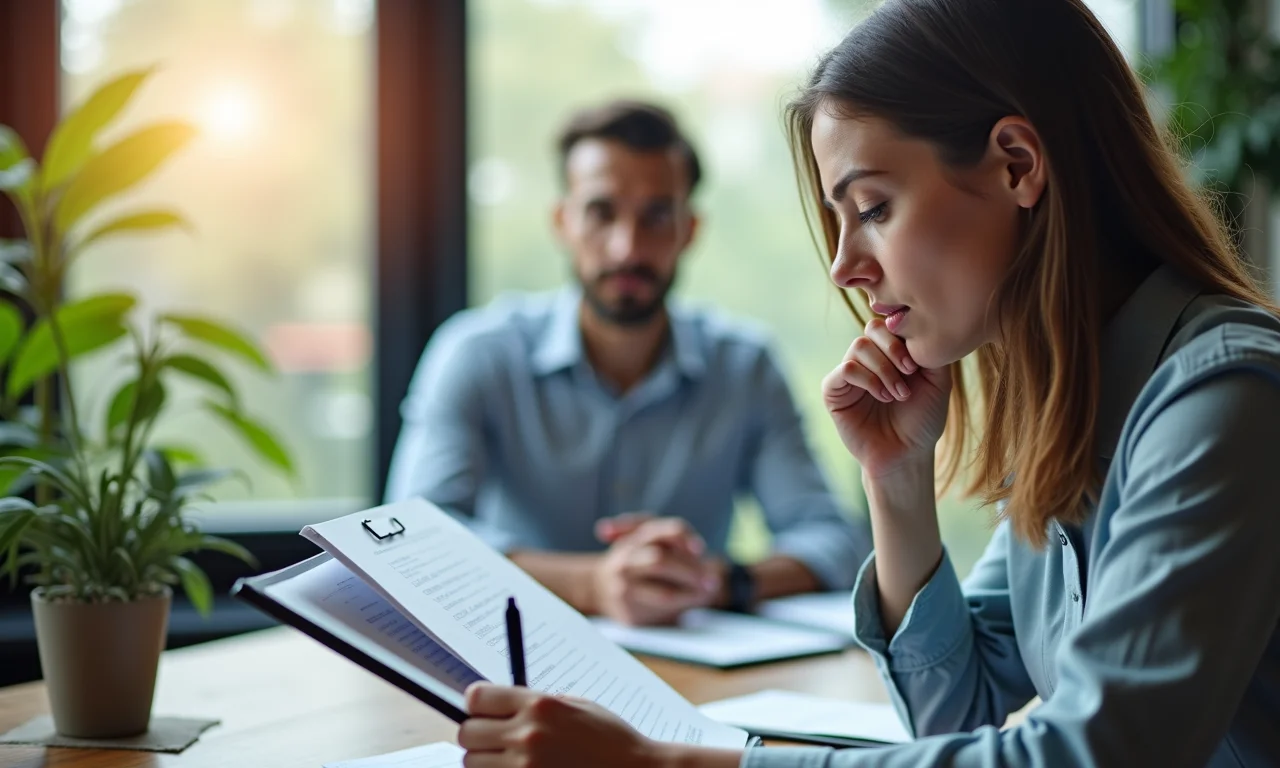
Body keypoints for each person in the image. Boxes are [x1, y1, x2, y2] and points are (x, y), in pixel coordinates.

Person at [454, 0, 1280, 766]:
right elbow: (960, 712)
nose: (847, 265)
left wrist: (664, 763)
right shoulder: (1077, 409)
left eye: (874, 207)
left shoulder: (1222, 401)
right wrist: (895, 480)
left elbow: (1089, 756)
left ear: (1018, 165)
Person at [385, 99, 869, 627]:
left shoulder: (745, 366)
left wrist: (709, 581)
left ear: (690, 230)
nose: (627, 248)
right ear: (562, 222)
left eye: (657, 216)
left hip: (692, 672)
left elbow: (835, 541)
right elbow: (413, 536)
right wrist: (594, 584)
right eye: (601, 212)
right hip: (513, 664)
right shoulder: (478, 353)